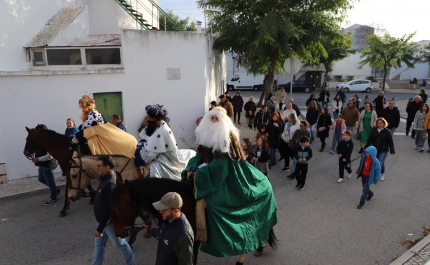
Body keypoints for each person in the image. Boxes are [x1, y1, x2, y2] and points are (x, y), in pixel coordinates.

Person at [182, 106, 277, 260]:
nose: (213, 121)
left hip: (231, 177)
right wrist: (191, 167)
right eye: (211, 118)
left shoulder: (228, 138)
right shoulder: (205, 135)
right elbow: (198, 155)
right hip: (211, 173)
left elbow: (221, 169)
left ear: (223, 121)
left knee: (213, 206)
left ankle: (234, 241)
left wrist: (200, 173)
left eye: (216, 118)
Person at [90, 156, 136, 265]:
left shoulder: (110, 183)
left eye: (99, 166)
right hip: (102, 222)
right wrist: (89, 194)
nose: (97, 168)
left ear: (107, 167)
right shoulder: (105, 179)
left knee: (121, 245)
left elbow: (109, 209)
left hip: (108, 223)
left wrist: (100, 228)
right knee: (99, 246)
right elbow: (102, 194)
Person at [135, 104, 195, 180]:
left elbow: (148, 156)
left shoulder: (162, 130)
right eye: (149, 116)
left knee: (155, 169)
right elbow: (147, 139)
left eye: (151, 117)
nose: (149, 119)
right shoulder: (154, 126)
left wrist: (139, 151)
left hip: (166, 157)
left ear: (159, 119)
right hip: (157, 153)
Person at [143, 192, 194, 265]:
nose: (160, 212)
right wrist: (150, 231)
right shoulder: (168, 220)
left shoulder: (183, 237)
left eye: (164, 209)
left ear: (175, 211)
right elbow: (164, 232)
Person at [31, 124, 60, 206]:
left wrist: (38, 159)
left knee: (50, 182)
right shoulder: (41, 140)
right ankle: (56, 190)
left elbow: (50, 155)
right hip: (41, 164)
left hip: (48, 164)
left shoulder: (50, 140)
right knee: (41, 179)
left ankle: (53, 197)